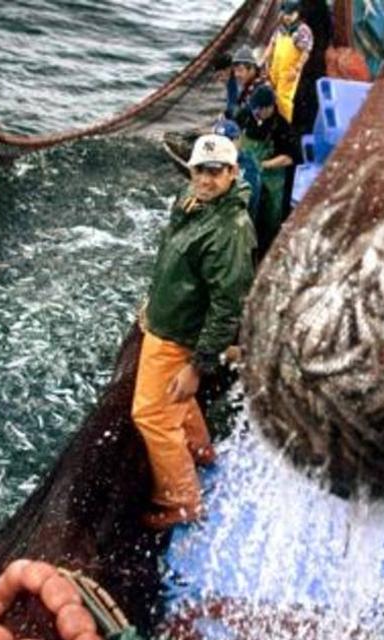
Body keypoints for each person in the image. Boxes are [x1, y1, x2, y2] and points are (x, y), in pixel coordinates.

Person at [133, 134, 256, 529]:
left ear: (233, 173)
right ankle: (201, 451)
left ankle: (182, 501)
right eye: (199, 170)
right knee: (177, 402)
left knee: (152, 415)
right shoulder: (196, 203)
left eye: (215, 172)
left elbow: (226, 307)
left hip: (179, 336)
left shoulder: (228, 231)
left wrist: (198, 366)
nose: (205, 180)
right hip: (169, 322)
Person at [237, 85, 300, 256]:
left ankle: (264, 250)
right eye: (254, 109)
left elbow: (290, 157)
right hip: (245, 173)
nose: (255, 113)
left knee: (268, 218)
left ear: (270, 107)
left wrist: (263, 164)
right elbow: (235, 134)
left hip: (271, 181)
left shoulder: (282, 128)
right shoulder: (245, 115)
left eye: (259, 110)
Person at [262, 0, 313, 123]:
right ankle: (271, 121)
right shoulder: (280, 28)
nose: (287, 17)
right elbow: (272, 43)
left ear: (297, 13)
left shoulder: (302, 30)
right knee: (270, 93)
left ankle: (284, 125)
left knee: (283, 99)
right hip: (275, 67)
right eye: (285, 14)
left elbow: (306, 52)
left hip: (289, 71)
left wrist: (297, 68)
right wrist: (266, 58)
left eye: (290, 14)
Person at [212, 118, 262, 226]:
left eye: (227, 142)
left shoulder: (248, 166)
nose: (222, 147)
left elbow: (248, 201)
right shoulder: (214, 161)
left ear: (238, 140)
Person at [224, 46, 271, 122]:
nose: (237, 74)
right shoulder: (249, 85)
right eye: (235, 71)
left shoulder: (261, 88)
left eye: (240, 70)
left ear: (252, 69)